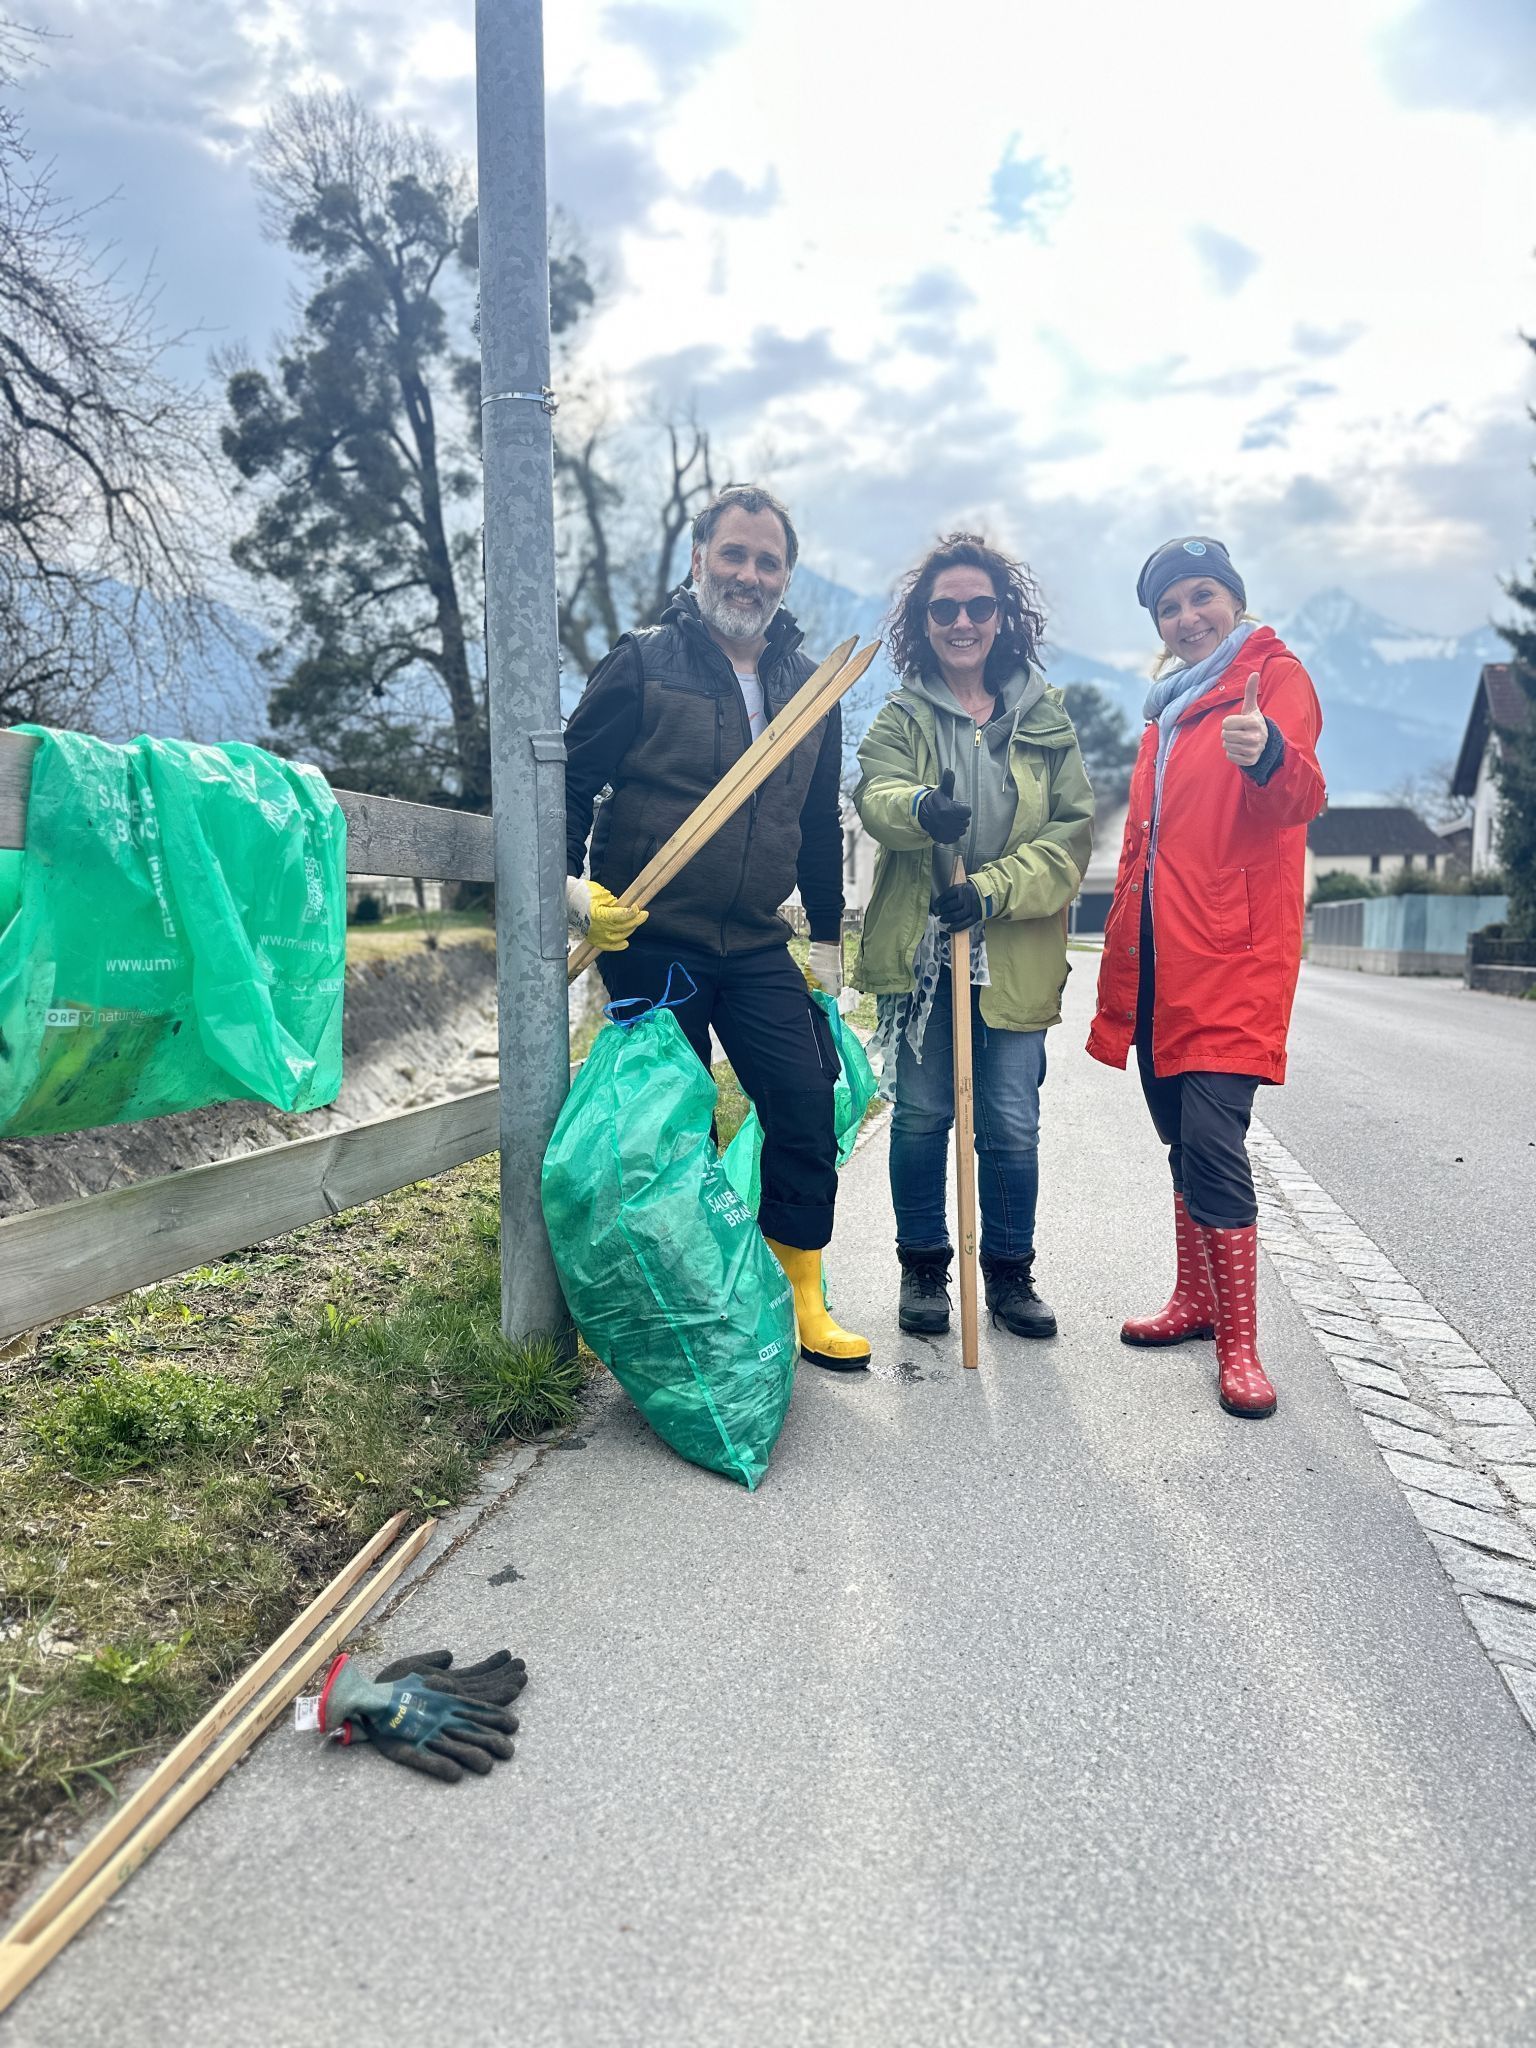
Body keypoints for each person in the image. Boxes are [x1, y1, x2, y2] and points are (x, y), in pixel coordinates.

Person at [562, 482, 870, 1372]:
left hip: (752, 935)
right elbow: (570, 784)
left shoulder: (813, 690)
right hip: (650, 930)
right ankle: (668, 1298)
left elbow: (818, 822)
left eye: (767, 560)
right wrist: (569, 888)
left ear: (786, 577)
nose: (749, 573)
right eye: (733, 554)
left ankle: (796, 1292)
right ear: (699, 561)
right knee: (669, 1123)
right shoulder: (643, 662)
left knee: (806, 1099)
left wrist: (820, 941)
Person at [1087, 536, 1325, 1420]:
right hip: (1160, 962)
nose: (1188, 618)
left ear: (1233, 599)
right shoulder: (1167, 710)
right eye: (1170, 608)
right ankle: (1192, 1303)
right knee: (1179, 1139)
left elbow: (1299, 796)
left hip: (1231, 960)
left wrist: (1265, 752)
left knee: (1217, 1146)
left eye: (1202, 598)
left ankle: (1242, 1347)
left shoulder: (1273, 678)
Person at [853, 533, 1094, 1341]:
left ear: (1003, 617)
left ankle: (1011, 1275)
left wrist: (989, 889)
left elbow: (1069, 838)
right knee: (922, 1115)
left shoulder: (1046, 718)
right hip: (924, 950)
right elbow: (875, 794)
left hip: (1015, 947)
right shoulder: (902, 713)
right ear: (923, 622)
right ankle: (923, 1268)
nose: (962, 620)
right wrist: (922, 808)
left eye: (978, 606)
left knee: (1011, 1122)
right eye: (944, 608)